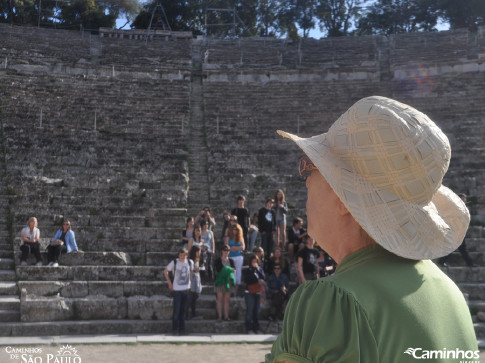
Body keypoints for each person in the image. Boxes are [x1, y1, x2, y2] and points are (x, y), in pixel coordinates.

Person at [266, 96, 477, 362]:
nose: (307, 182)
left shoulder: (334, 300)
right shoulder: (450, 294)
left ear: (342, 198)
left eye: (313, 168)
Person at [438, 193, 476, 267]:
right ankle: (470, 263)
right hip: (454, 231)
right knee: (457, 248)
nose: (464, 201)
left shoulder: (463, 208)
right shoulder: (454, 208)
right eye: (462, 199)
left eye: (465, 199)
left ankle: (441, 262)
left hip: (459, 231)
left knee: (459, 248)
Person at [164, 248, 194, 336]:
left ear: (186, 255)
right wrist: (170, 283)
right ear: (178, 255)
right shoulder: (174, 262)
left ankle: (182, 330)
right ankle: (175, 330)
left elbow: (191, 272)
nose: (182, 257)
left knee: (184, 311)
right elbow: (165, 271)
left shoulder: (190, 262)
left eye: (184, 255)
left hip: (186, 290)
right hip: (177, 290)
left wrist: (190, 282)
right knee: (176, 311)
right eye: (181, 255)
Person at [244, 254, 265, 334]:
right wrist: (253, 271)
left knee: (256, 311)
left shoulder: (260, 270)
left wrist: (257, 270)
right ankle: (249, 328)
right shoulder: (248, 270)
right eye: (253, 261)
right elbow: (247, 280)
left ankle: (256, 328)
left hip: (258, 292)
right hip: (249, 292)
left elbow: (263, 277)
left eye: (256, 261)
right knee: (250, 310)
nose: (254, 263)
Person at [214, 245, 235, 322]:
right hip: (220, 281)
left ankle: (226, 316)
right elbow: (219, 270)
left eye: (228, 250)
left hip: (228, 281)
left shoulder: (231, 261)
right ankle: (219, 316)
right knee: (219, 299)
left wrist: (229, 270)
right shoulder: (217, 260)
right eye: (225, 250)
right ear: (222, 251)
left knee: (227, 300)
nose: (226, 252)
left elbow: (233, 269)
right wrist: (228, 270)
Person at [227, 224, 245, 296]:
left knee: (238, 273)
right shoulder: (228, 238)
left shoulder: (241, 238)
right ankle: (231, 291)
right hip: (230, 257)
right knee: (232, 273)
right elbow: (227, 248)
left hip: (239, 257)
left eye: (236, 229)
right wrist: (237, 248)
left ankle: (235, 293)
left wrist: (233, 248)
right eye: (234, 229)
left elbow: (243, 247)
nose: (235, 231)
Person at [187, 245, 202, 320]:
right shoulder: (190, 260)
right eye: (198, 251)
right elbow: (189, 270)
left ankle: (192, 313)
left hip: (197, 279)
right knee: (191, 297)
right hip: (192, 280)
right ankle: (190, 314)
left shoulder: (198, 259)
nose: (200, 253)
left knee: (195, 296)